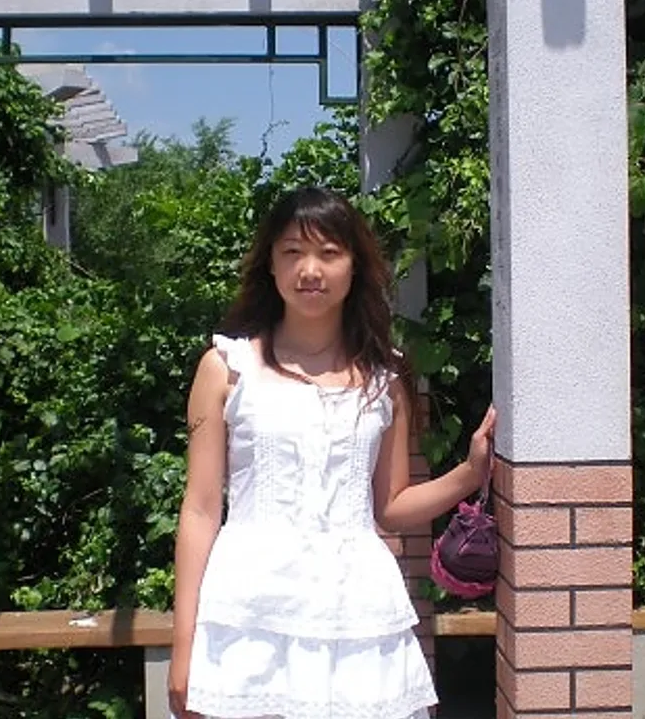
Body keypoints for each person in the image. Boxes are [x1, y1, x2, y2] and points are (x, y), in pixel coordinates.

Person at [168, 186, 496, 719]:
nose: (310, 270)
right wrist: (183, 649)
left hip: (357, 618)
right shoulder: (225, 368)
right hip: (249, 619)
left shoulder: (385, 378)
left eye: (328, 253)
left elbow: (391, 506)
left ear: (354, 265)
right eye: (292, 252)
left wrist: (469, 472)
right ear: (270, 264)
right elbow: (201, 511)